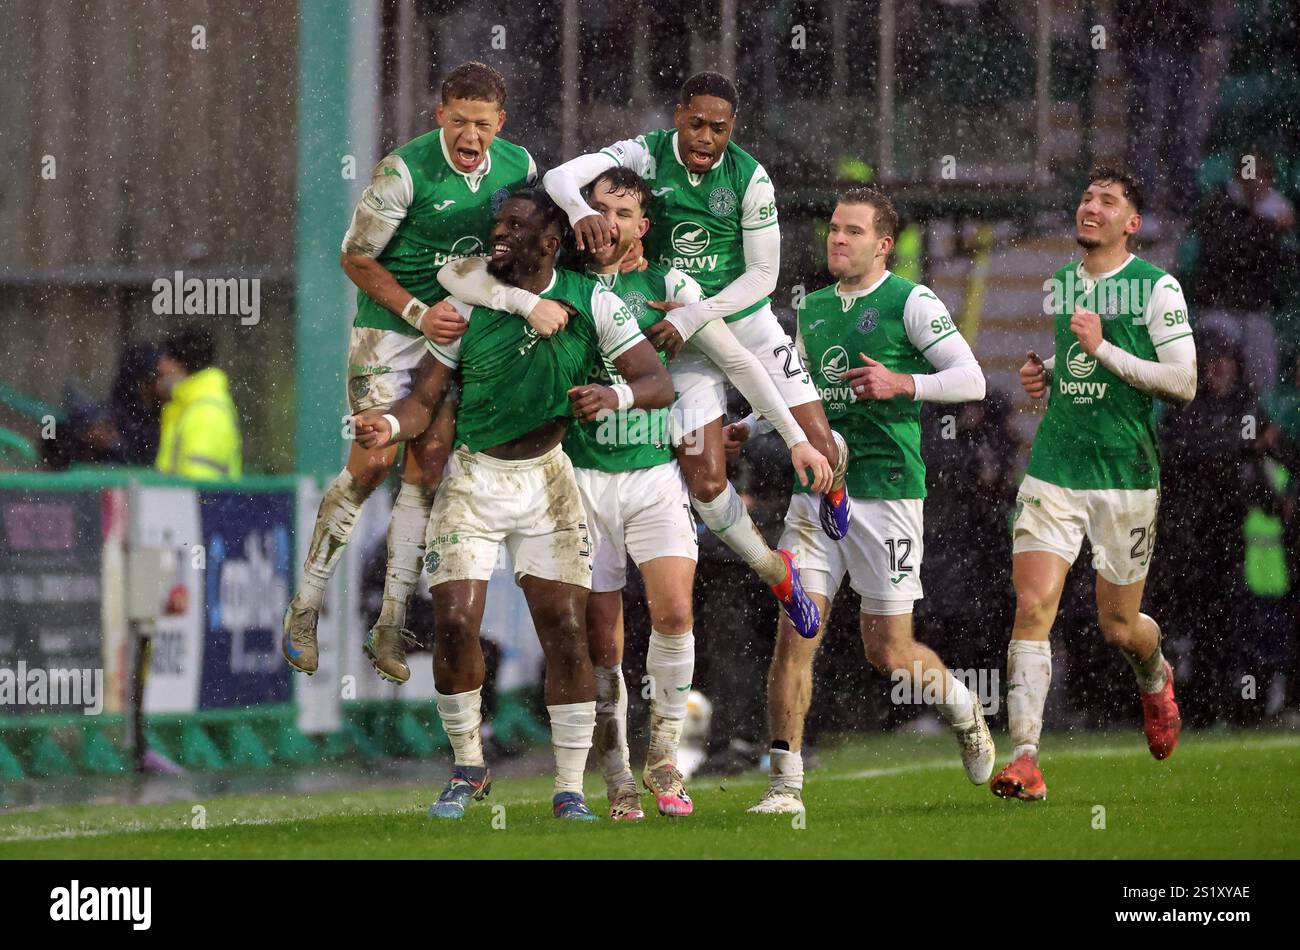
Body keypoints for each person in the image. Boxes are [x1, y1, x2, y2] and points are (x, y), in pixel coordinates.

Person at [437, 165, 833, 817]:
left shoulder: (671, 287)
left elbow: (731, 363)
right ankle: (618, 778)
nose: (608, 223)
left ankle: (667, 761)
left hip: (650, 470)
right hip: (581, 478)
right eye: (597, 210)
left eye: (622, 214)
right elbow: (464, 275)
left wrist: (787, 436)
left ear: (642, 227)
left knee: (677, 608)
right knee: (601, 642)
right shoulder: (564, 280)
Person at [353, 189, 674, 821]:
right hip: (475, 480)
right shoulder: (467, 304)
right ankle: (468, 767)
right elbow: (424, 399)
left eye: (515, 225)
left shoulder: (592, 302)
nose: (498, 233)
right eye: (498, 221)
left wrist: (614, 397)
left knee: (563, 631)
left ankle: (570, 788)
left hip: (548, 481)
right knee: (452, 623)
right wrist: (389, 426)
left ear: (550, 242)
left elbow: (656, 381)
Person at [282, 62, 566, 685]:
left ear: (501, 125)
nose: (471, 135)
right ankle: (304, 608)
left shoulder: (520, 168)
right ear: (440, 117)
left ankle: (389, 625)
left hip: (457, 327)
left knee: (429, 467)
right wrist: (415, 309)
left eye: (483, 125)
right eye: (459, 121)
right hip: (389, 329)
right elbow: (354, 258)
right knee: (373, 463)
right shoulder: (402, 171)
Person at [538, 71, 845, 639]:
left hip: (732, 313)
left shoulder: (750, 177)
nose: (705, 137)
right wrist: (580, 209)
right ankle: (775, 572)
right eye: (696, 123)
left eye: (719, 128)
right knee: (706, 483)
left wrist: (693, 314)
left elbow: (764, 277)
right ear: (677, 116)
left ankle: (831, 471)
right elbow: (558, 178)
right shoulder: (644, 158)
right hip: (672, 322)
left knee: (820, 449)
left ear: (733, 130)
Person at [728, 187, 994, 814]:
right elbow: (802, 394)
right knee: (795, 633)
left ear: (882, 245)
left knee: (888, 650)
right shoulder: (812, 308)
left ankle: (963, 707)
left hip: (890, 494)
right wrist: (752, 424)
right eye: (832, 229)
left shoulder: (912, 300)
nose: (837, 239)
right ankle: (785, 784)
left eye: (851, 231)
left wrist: (903, 381)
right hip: (817, 493)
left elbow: (972, 378)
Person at [992, 163, 1196, 802]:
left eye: (1108, 201)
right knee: (1033, 607)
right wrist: (1052, 370)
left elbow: (1182, 382)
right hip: (1054, 469)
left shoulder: (1156, 287)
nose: (1091, 206)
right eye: (1087, 196)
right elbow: (1082, 349)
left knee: (1118, 625)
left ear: (1131, 224)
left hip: (1125, 477)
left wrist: (1103, 349)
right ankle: (1025, 758)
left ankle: (1154, 671)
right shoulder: (1063, 284)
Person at [154, 327, 241, 480]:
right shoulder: (190, 406)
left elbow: (202, 488)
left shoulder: (205, 412)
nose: (160, 367)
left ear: (181, 364)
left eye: (167, 359)